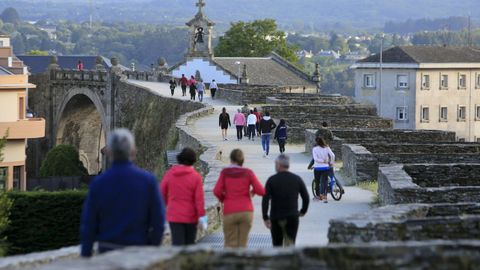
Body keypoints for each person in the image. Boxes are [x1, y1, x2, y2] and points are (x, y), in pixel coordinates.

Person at [80, 129, 165, 257]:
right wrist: (152, 248)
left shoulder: (98, 184)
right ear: (133, 151)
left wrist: (86, 255)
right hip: (139, 253)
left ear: (108, 152)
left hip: (108, 254)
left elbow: (89, 224)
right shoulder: (148, 181)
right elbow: (158, 221)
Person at [213, 149, 265, 248]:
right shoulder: (248, 173)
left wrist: (224, 199)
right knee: (242, 244)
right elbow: (261, 191)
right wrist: (251, 193)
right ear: (242, 160)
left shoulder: (225, 173)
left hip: (230, 210)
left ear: (231, 159)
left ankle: (230, 262)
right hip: (246, 211)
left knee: (229, 243)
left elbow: (216, 191)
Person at [160, 148, 206, 246]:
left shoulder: (170, 174)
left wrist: (168, 206)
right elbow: (199, 200)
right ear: (193, 161)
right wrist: (202, 218)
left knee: (177, 245)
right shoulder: (196, 177)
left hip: (174, 215)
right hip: (191, 216)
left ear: (179, 159)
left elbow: (162, 193)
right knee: (189, 245)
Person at [262, 154, 309, 247]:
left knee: (277, 245)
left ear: (279, 165)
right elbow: (306, 197)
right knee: (290, 245)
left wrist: (265, 217)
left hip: (276, 217)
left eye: (275, 163)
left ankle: (279, 261)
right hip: (292, 216)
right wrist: (303, 211)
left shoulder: (271, 180)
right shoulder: (297, 179)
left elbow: (265, 199)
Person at [312, 137, 335, 203]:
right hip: (325, 168)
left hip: (317, 168)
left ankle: (318, 197)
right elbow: (333, 155)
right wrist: (331, 162)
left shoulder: (315, 149)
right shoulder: (327, 148)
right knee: (325, 182)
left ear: (317, 142)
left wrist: (322, 161)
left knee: (317, 182)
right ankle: (325, 197)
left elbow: (315, 159)